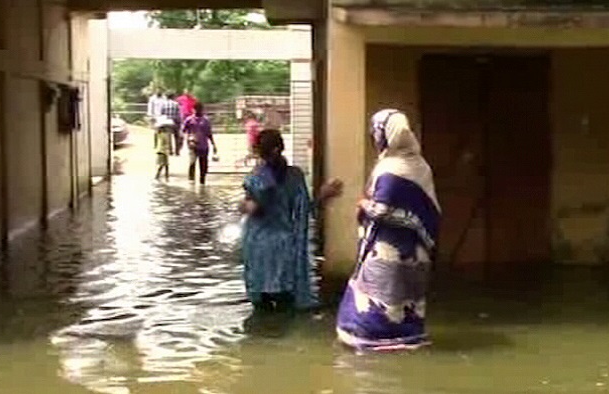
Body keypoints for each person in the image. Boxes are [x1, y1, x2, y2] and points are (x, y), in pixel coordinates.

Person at [336, 109, 441, 351]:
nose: (375, 138)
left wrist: (363, 204)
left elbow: (381, 210)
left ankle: (372, 337)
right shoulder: (421, 166)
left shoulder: (390, 168)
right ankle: (408, 336)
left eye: (377, 132)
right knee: (408, 295)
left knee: (379, 292)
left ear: (386, 135)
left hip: (388, 247)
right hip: (417, 248)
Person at [240, 129, 342, 312]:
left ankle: (259, 337)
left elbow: (253, 209)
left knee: (261, 304)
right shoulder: (295, 176)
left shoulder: (255, 178)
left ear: (258, 152)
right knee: (285, 301)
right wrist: (323, 195)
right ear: (281, 149)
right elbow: (305, 209)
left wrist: (247, 205)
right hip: (285, 247)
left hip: (258, 246)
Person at [182, 103, 217, 185]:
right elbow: (184, 131)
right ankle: (191, 180)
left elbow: (209, 133)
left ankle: (202, 181)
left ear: (202, 110)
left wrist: (213, 144)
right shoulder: (189, 120)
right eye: (196, 109)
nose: (197, 111)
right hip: (193, 145)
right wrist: (188, 138)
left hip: (204, 145)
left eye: (199, 109)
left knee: (203, 165)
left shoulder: (205, 121)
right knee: (192, 162)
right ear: (193, 110)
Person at [154, 116, 175, 181]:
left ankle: (165, 176)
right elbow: (169, 142)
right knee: (163, 164)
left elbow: (169, 143)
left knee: (165, 165)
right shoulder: (161, 134)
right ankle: (159, 176)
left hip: (163, 150)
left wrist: (171, 150)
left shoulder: (159, 134)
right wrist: (171, 150)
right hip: (162, 150)